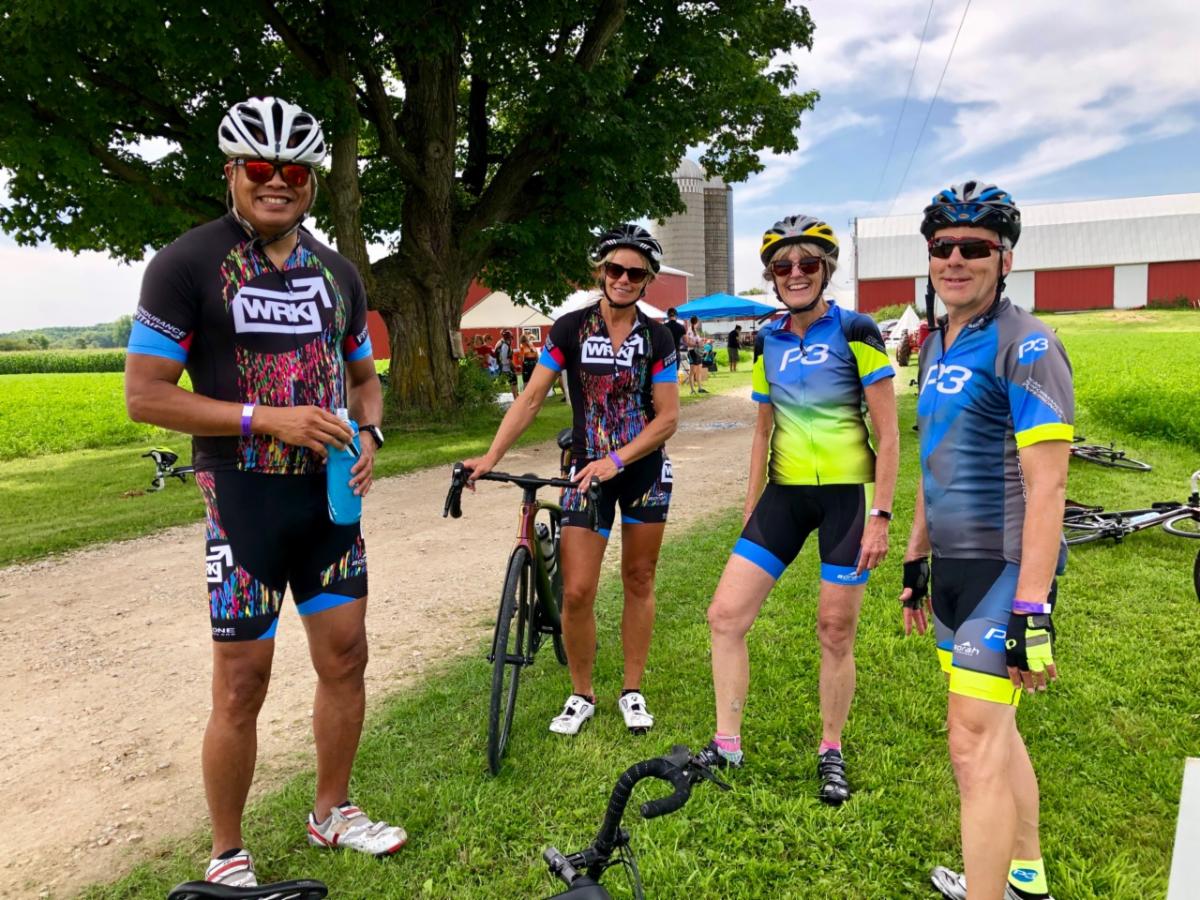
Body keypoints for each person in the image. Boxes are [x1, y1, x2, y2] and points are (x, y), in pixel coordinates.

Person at [124, 97, 405, 888]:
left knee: (347, 657)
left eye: (293, 171)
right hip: (241, 501)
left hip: (328, 505)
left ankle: (332, 811)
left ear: (311, 183)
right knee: (242, 682)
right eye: (259, 167)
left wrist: (371, 435)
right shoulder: (186, 264)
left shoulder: (339, 271)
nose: (276, 182)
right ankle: (226, 852)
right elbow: (145, 395)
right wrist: (265, 418)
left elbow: (364, 380)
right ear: (232, 173)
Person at [899, 182, 1072, 900]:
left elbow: (1049, 488)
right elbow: (932, 454)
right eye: (944, 247)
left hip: (1005, 572)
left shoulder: (1028, 344)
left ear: (1005, 260)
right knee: (997, 734)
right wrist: (914, 555)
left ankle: (987, 892)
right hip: (953, 567)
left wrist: (1032, 606)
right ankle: (1023, 874)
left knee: (971, 745)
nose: (957, 259)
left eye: (976, 248)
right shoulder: (939, 341)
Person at [699, 215, 899, 807]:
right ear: (771, 277)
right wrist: (749, 502)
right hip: (784, 495)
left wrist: (882, 515)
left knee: (835, 630)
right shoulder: (768, 339)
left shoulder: (858, 329)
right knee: (724, 616)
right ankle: (727, 743)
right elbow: (763, 430)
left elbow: (888, 435)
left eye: (807, 264)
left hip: (846, 498)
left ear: (825, 271)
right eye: (783, 267)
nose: (795, 274)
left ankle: (830, 749)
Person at [463, 224, 679, 736]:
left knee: (638, 579)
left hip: (642, 470)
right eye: (614, 269)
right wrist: (491, 455)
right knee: (578, 592)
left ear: (647, 280)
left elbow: (667, 418)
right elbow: (532, 397)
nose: (622, 279)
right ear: (600, 272)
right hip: (586, 473)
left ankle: (632, 689)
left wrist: (619, 460)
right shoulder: (569, 329)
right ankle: (581, 693)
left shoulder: (658, 336)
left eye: (634, 272)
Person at [685, 315, 706, 394]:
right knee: (692, 371)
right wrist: (697, 344)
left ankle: (700, 388)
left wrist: (702, 342)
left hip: (697, 352)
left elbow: (697, 341)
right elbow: (689, 343)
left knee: (699, 371)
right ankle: (692, 390)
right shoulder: (690, 330)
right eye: (698, 322)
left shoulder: (695, 331)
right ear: (696, 322)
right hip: (692, 352)